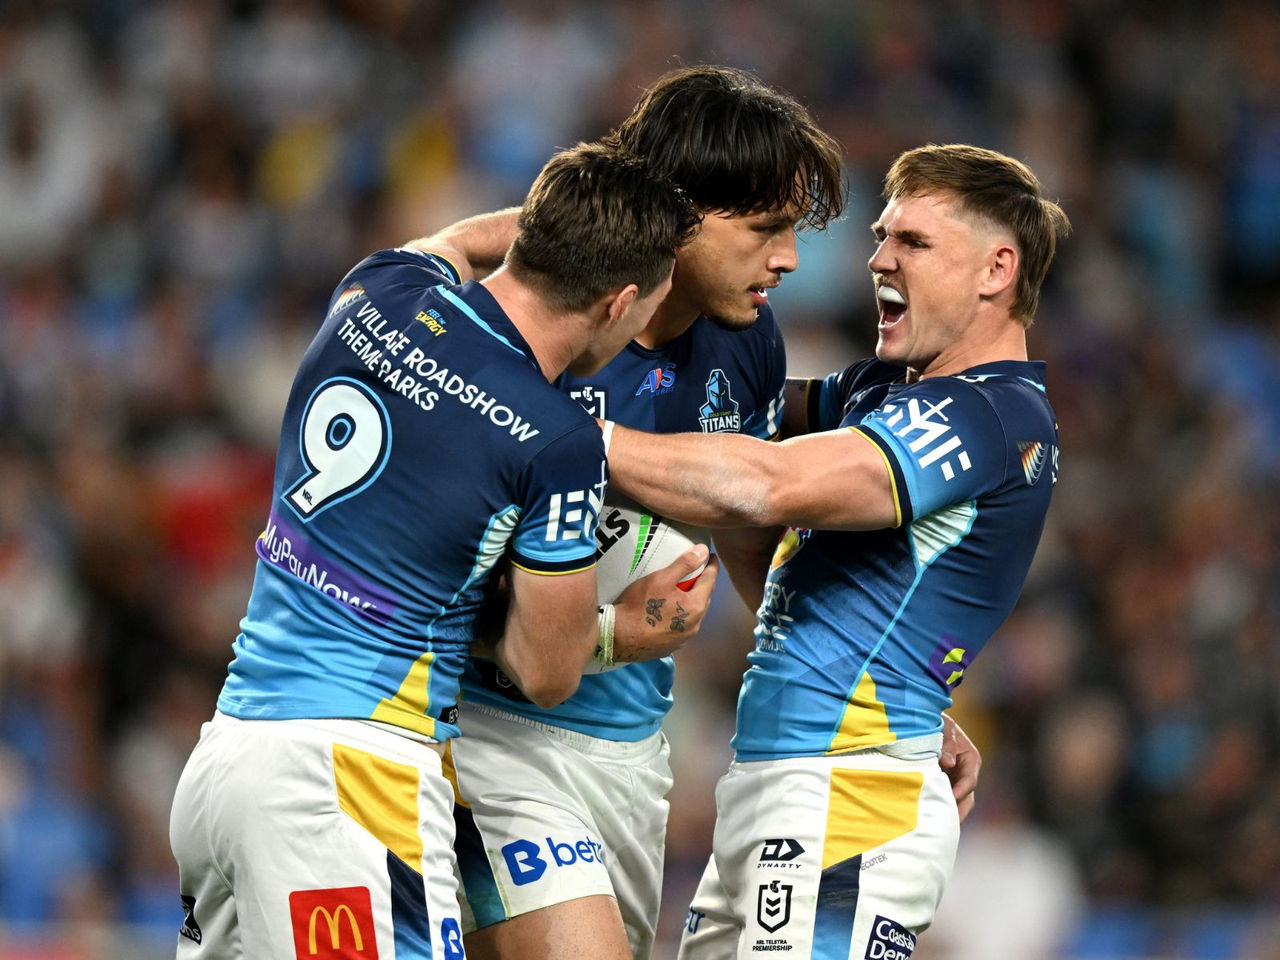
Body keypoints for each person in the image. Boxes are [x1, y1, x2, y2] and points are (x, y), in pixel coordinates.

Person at [443, 68, 982, 960]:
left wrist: (884, 700)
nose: (789, 259)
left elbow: (747, 537)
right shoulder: (538, 325)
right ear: (677, 210)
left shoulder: (746, 340)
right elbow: (421, 572)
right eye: (766, 228)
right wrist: (604, 633)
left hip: (629, 753)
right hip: (491, 735)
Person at [166, 141, 703, 960]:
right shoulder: (558, 441)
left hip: (229, 761)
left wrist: (564, 224)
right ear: (618, 302)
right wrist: (623, 632)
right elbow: (547, 671)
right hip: (348, 783)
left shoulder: (379, 289)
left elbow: (452, 244)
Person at [601, 143, 1070, 959]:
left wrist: (561, 436)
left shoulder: (990, 417)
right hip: (779, 789)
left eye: (913, 243)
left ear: (997, 269)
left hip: (852, 799)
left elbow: (765, 485)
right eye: (882, 236)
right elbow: (714, 423)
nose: (877, 258)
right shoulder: (878, 390)